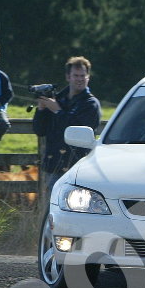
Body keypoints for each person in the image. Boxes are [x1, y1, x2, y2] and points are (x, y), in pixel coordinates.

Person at [33, 56, 101, 193]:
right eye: (76, 75)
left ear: (88, 77)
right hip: (53, 165)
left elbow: (77, 130)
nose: (80, 79)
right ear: (68, 77)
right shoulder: (57, 100)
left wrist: (57, 111)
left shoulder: (91, 104)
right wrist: (41, 109)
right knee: (52, 204)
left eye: (83, 76)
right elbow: (39, 130)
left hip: (78, 168)